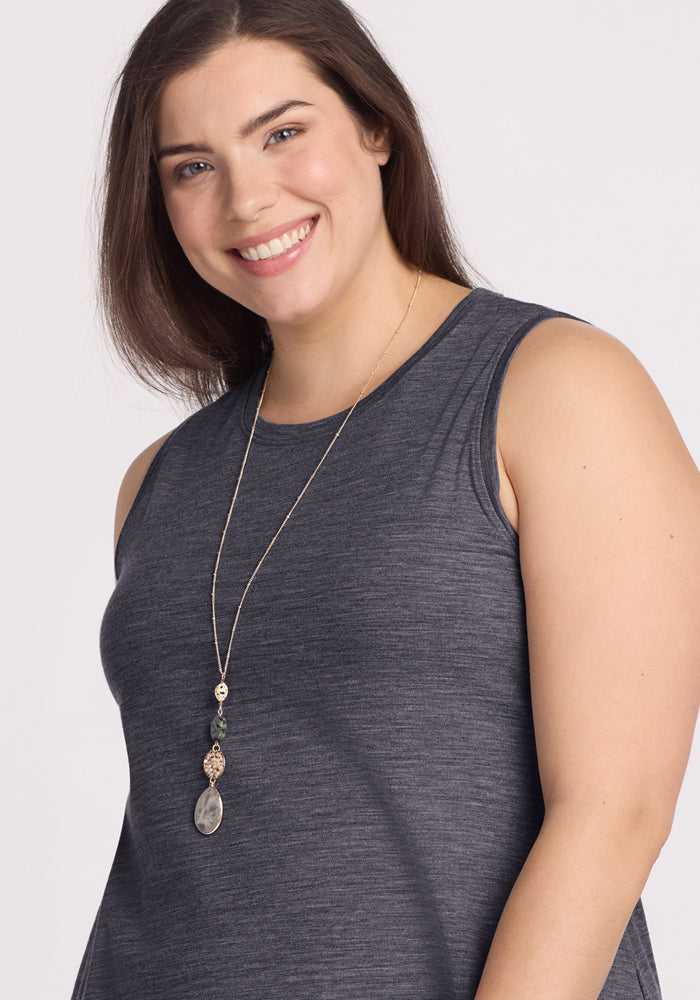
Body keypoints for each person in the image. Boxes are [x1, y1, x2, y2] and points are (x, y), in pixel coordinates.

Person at [72, 0, 700, 997]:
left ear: (374, 129)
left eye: (282, 132)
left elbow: (613, 814)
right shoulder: (158, 483)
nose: (246, 199)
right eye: (193, 166)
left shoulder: (553, 390)